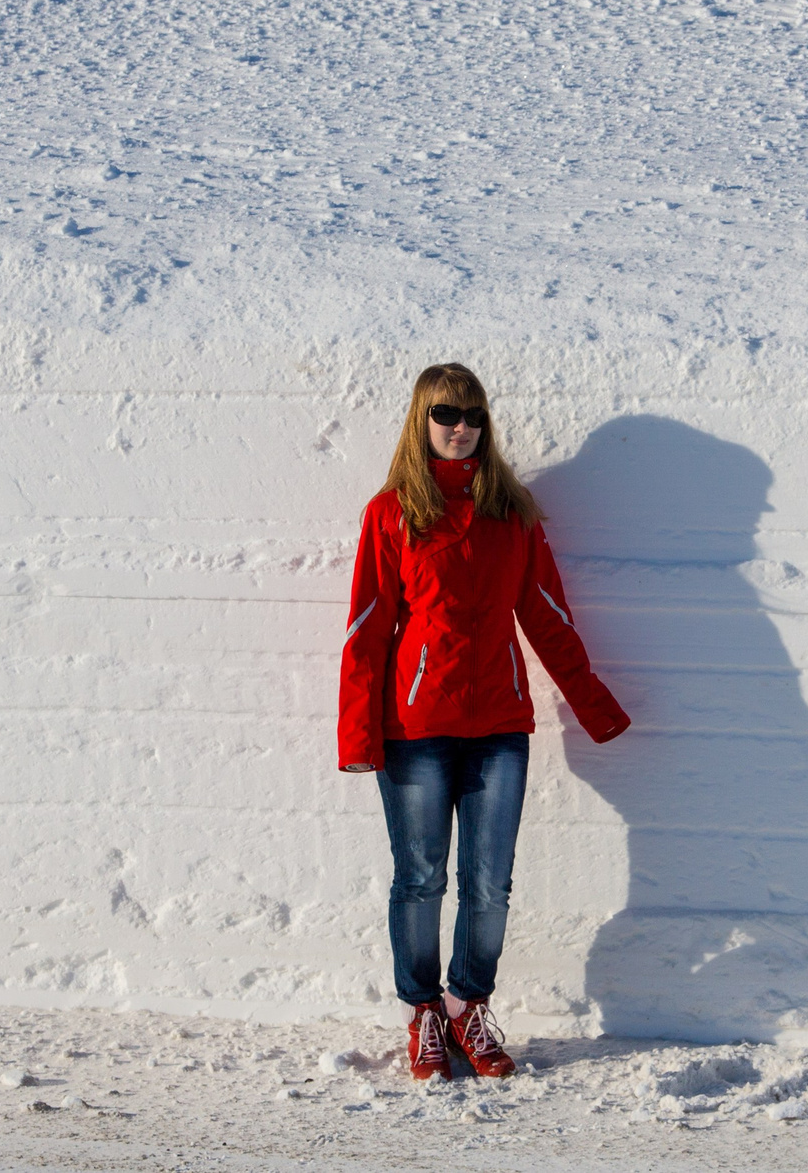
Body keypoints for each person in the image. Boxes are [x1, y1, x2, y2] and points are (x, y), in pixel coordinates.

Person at [337, 362, 632, 1081]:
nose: (460, 426)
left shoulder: (512, 511)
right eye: (445, 413)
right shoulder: (392, 512)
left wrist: (594, 705)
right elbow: (368, 627)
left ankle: (470, 1004)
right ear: (422, 420)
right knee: (420, 876)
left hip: (500, 723)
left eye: (472, 414)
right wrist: (357, 734)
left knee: (490, 881)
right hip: (416, 725)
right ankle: (424, 1013)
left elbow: (548, 616)